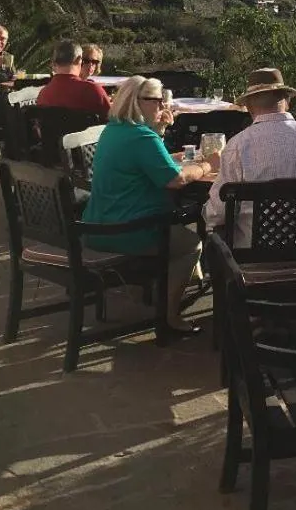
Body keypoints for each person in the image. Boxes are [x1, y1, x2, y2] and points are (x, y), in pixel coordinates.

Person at [83, 76, 212, 335]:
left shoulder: (115, 129)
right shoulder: (140, 136)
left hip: (97, 224)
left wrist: (159, 131)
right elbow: (174, 179)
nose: (163, 105)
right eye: (158, 100)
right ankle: (169, 315)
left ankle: (170, 287)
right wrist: (209, 165)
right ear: (139, 102)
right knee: (191, 244)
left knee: (178, 229)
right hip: (126, 231)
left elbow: (150, 161)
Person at [202, 67, 296, 247]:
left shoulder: (237, 146)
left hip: (252, 260)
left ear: (248, 106)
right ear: (287, 101)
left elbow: (217, 214)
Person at [36, 40, 111, 116]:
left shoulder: (43, 94)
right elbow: (114, 119)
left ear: (54, 63)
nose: (90, 65)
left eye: (95, 62)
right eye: (86, 61)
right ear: (79, 60)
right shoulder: (92, 91)